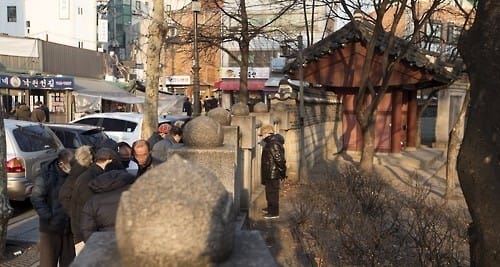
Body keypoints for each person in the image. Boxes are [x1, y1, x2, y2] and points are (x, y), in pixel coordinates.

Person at [31, 149, 75, 267]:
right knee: (48, 262)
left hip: (68, 226)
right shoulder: (45, 175)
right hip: (50, 228)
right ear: (61, 164)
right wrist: (49, 216)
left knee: (69, 261)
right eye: (71, 166)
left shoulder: (73, 176)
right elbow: (36, 198)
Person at [69, 148, 118, 245]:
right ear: (109, 160)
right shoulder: (90, 179)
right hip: (86, 235)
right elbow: (92, 209)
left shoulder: (91, 175)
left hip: (88, 232)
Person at [80, 169, 135, 242]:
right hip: (132, 242)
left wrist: (97, 245)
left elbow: (86, 230)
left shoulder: (93, 201)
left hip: (105, 244)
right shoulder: (135, 194)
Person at [59, 145, 94, 252]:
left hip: (79, 225)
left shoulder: (76, 172)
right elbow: (64, 196)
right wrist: (76, 213)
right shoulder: (82, 174)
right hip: (83, 226)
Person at [260, 124, 287, 220]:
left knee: (273, 193)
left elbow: (280, 160)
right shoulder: (270, 143)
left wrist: (283, 173)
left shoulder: (273, 144)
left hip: (273, 173)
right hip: (269, 172)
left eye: (262, 135)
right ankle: (270, 209)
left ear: (267, 133)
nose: (262, 137)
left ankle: (274, 212)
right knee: (269, 192)